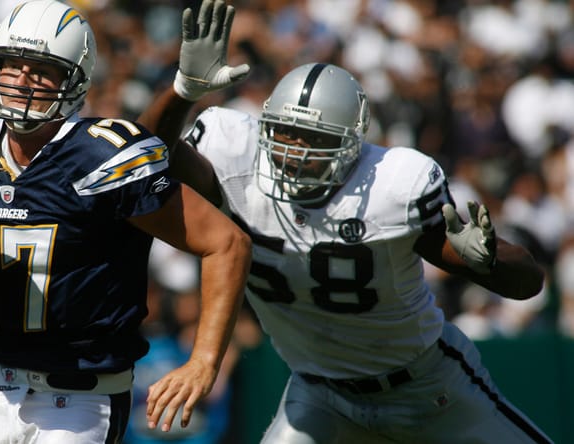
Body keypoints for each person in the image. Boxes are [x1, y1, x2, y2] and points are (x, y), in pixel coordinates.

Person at [137, 1, 552, 442]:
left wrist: (491, 262)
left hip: (430, 389)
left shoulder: (391, 187)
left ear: (353, 145)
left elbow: (526, 285)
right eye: (284, 133)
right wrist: (183, 91)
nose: (294, 151)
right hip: (319, 395)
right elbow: (142, 156)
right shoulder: (234, 161)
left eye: (313, 139)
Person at [0, 1, 251, 443]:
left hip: (80, 397)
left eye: (41, 71)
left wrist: (203, 361)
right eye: (10, 65)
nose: (21, 81)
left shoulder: (102, 157)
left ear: (74, 81)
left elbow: (226, 243)